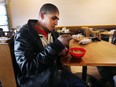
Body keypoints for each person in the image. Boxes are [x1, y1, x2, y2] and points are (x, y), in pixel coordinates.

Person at [11, 3, 88, 87]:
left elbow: (56, 53)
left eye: (57, 19)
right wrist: (57, 46)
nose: (56, 23)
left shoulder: (53, 33)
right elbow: (27, 68)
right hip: (38, 80)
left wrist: (63, 51)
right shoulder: (23, 35)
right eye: (53, 18)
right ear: (42, 15)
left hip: (56, 73)